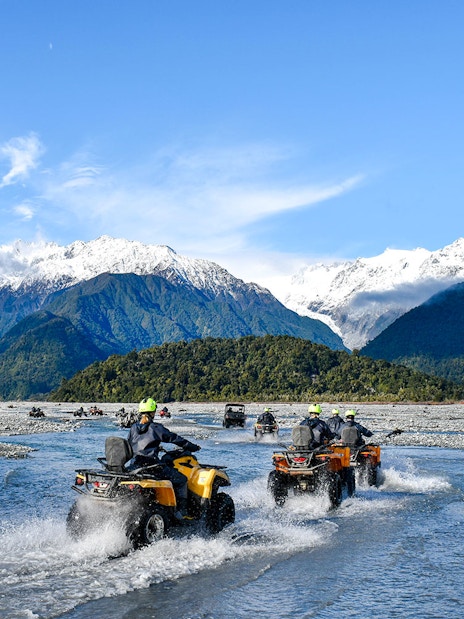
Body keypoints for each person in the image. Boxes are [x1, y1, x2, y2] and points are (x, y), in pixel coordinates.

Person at [128, 397, 201, 519]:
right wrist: (192, 447)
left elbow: (131, 444)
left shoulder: (133, 428)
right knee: (181, 479)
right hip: (151, 467)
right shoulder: (156, 428)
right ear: (153, 412)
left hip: (134, 465)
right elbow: (175, 438)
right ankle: (182, 512)